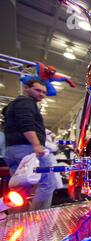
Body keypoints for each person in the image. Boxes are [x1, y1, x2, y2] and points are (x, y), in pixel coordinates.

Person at [2, 79, 57, 210]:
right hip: (28, 149)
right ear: (26, 88)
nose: (41, 94)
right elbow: (26, 123)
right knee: (48, 182)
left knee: (19, 188)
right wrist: (37, 145)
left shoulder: (13, 105)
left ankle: (18, 220)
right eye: (37, 90)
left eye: (44, 92)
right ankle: (38, 216)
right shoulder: (26, 102)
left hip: (12, 150)